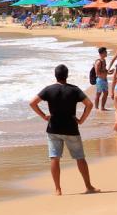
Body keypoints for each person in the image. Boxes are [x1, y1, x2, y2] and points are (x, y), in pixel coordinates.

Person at [28, 64, 98, 195]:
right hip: (71, 127)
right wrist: (81, 120)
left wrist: (44, 116)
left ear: (55, 75)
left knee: (55, 158)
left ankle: (58, 189)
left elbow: (32, 103)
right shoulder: (74, 90)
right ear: (67, 75)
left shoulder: (49, 90)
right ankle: (88, 186)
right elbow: (89, 104)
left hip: (53, 128)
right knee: (80, 158)